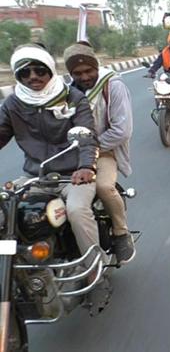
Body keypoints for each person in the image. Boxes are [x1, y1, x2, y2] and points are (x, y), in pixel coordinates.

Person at [0, 44, 99, 257]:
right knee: (4, 214)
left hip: (72, 176)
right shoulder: (13, 104)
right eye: (24, 72)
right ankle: (21, 269)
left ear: (51, 70)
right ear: (17, 76)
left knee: (77, 211)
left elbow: (87, 136)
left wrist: (85, 166)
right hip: (35, 177)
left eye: (39, 70)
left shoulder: (72, 97)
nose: (33, 77)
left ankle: (95, 270)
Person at [63, 42, 136, 264]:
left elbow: (121, 131)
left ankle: (122, 233)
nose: (85, 77)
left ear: (97, 66)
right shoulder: (67, 91)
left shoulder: (112, 86)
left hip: (105, 150)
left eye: (89, 71)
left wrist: (91, 148)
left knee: (104, 186)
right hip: (71, 153)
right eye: (78, 73)